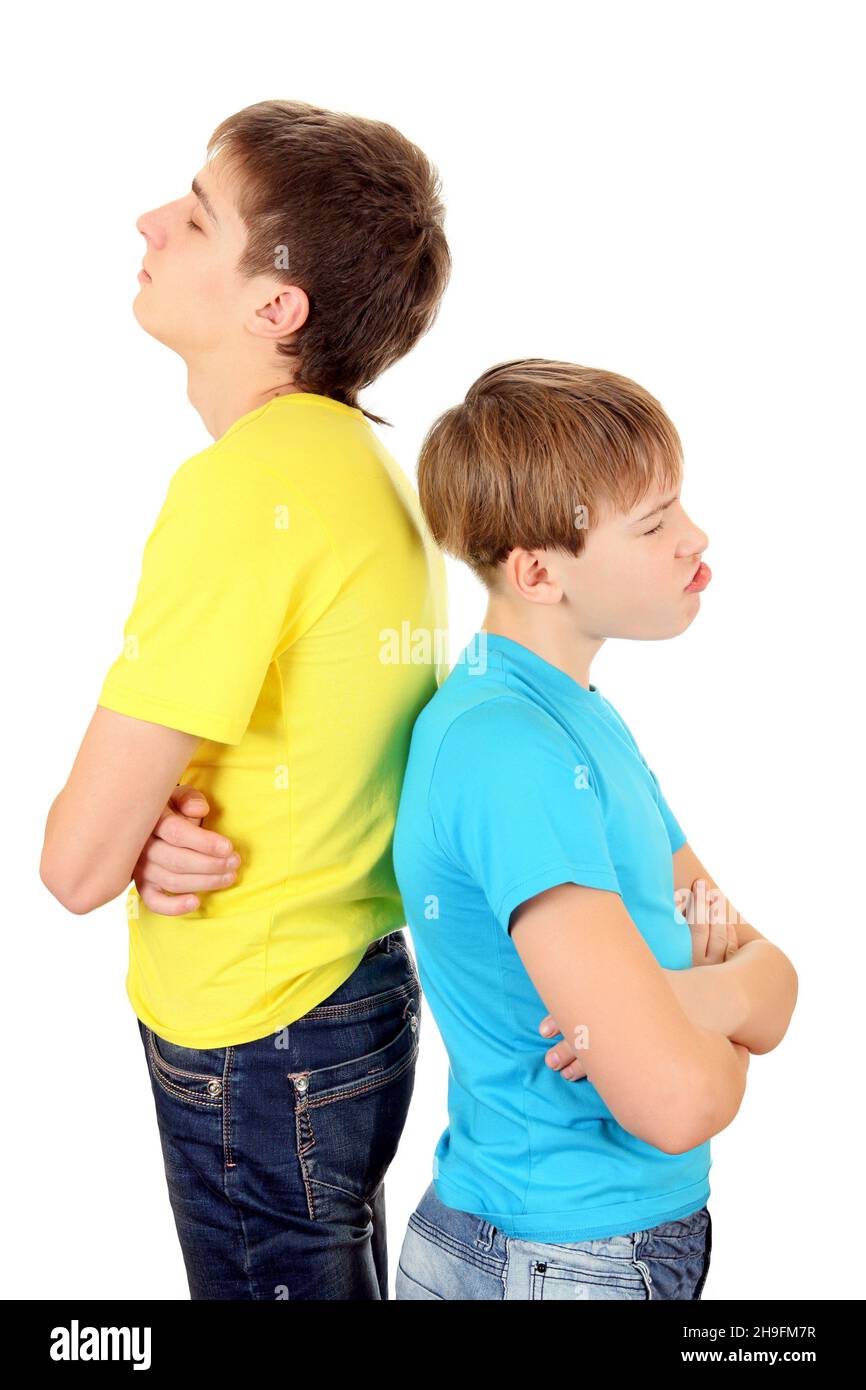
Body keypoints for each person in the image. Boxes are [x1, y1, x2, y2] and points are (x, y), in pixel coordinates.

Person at [40, 99, 451, 1300]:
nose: (148, 221)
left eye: (197, 215)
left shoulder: (241, 491)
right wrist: (154, 825)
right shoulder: (370, 467)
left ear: (275, 308)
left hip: (257, 1028)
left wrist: (128, 833)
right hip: (350, 995)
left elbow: (72, 864)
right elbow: (328, 750)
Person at [391, 359, 798, 1300]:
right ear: (537, 571)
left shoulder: (577, 721)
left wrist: (686, 1005)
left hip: (573, 1250)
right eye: (652, 524)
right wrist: (708, 1026)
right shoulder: (509, 753)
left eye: (679, 504)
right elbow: (676, 1100)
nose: (692, 536)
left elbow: (763, 971)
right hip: (567, 1258)